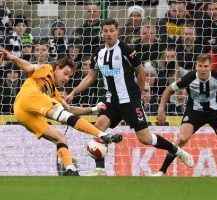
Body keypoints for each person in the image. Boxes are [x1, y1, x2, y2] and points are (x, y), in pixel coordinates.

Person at [65, 18, 194, 176]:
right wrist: (73, 92)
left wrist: (138, 96)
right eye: (105, 31)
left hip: (130, 101)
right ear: (102, 32)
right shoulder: (98, 53)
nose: (109, 34)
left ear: (117, 31)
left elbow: (141, 72)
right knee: (98, 127)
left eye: (112, 30)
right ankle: (100, 170)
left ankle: (177, 151)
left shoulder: (126, 50)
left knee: (145, 138)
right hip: (111, 101)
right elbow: (90, 77)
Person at [0, 49, 122, 176]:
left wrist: (93, 109)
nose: (67, 78)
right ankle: (102, 135)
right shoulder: (47, 69)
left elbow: (69, 110)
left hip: (24, 115)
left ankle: (70, 169)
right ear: (57, 68)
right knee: (62, 115)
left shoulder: (54, 93)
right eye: (65, 73)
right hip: (27, 98)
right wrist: (12, 57)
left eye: (69, 76)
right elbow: (28, 66)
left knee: (60, 137)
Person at [152, 53, 217, 177]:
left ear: (211, 67)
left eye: (205, 66)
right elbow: (169, 89)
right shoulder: (189, 77)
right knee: (181, 139)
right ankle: (161, 171)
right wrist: (161, 110)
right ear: (196, 66)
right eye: (200, 66)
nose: (202, 69)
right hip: (194, 111)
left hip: (214, 111)